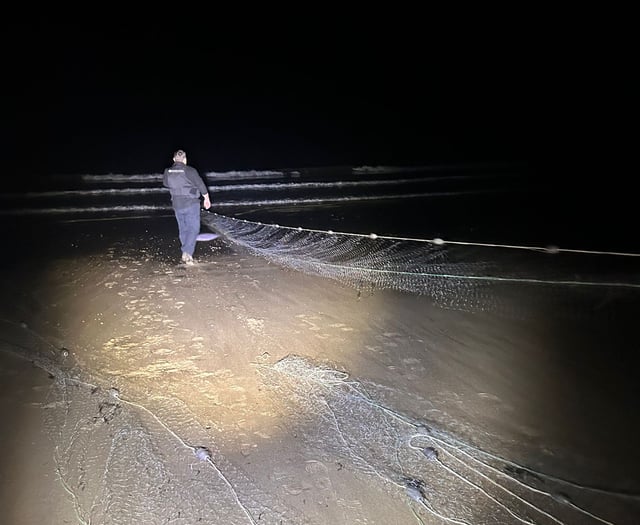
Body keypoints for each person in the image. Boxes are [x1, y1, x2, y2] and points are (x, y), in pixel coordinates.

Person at [163, 149, 211, 265]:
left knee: (183, 229)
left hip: (177, 204)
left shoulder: (167, 171)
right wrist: (206, 198)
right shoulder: (190, 170)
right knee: (193, 228)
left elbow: (165, 184)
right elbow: (200, 184)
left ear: (174, 159)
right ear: (185, 159)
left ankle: (185, 252)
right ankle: (187, 253)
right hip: (191, 204)